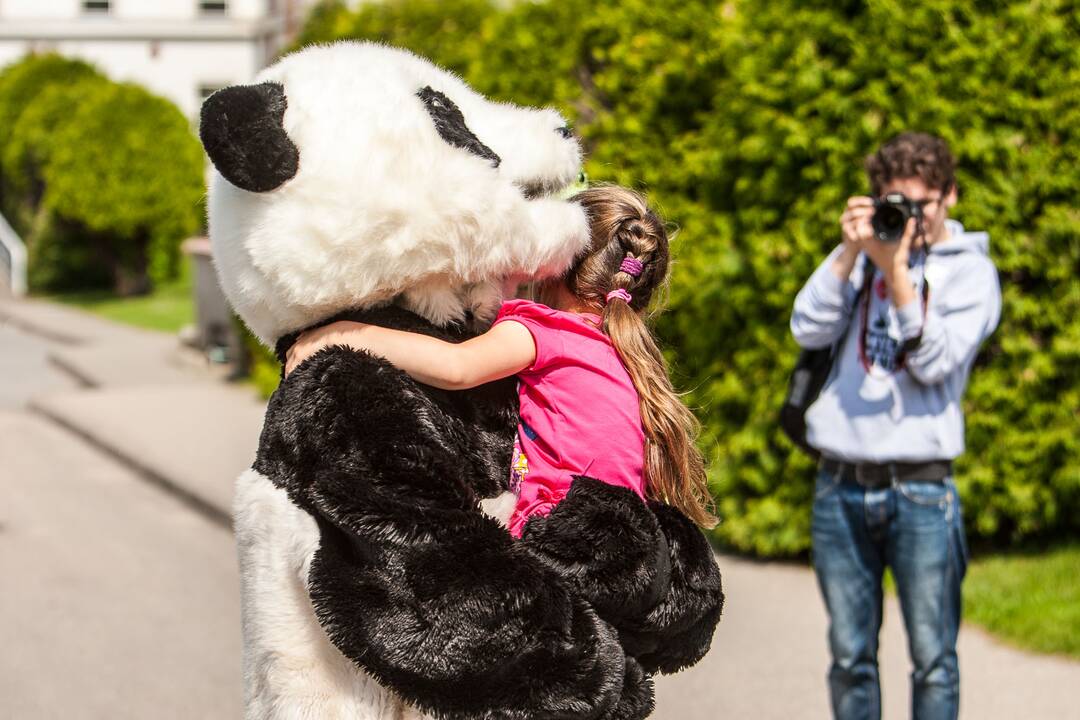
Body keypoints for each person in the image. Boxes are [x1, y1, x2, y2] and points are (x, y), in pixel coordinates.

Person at [285, 185, 716, 536]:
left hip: (554, 536)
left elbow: (457, 366)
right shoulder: (622, 352)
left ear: (556, 263)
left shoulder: (550, 332)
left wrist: (337, 334)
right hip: (615, 544)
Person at [790, 132, 1001, 720]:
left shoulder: (971, 274)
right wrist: (849, 251)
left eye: (919, 206)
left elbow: (934, 363)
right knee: (849, 655)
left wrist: (899, 272)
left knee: (933, 657)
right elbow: (807, 328)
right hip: (840, 484)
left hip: (922, 488)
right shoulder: (867, 253)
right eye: (893, 204)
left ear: (949, 197)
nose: (906, 219)